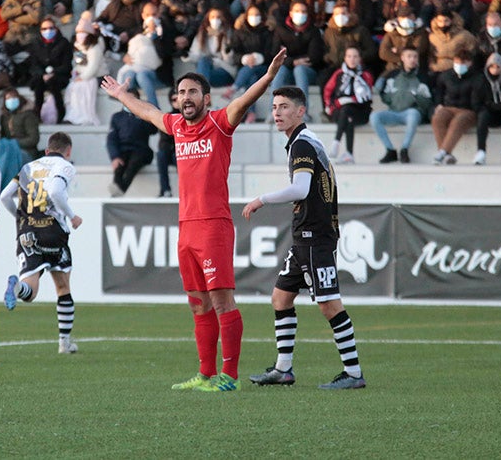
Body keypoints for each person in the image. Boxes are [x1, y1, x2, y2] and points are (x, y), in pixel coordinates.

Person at [100, 47, 288, 393]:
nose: (185, 98)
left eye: (192, 93)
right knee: (197, 302)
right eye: (181, 93)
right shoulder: (176, 126)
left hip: (214, 224)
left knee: (221, 301)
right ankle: (204, 374)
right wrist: (122, 95)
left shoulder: (219, 122)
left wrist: (269, 76)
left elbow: (244, 101)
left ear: (206, 98)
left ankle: (228, 377)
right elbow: (147, 111)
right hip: (186, 227)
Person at [241, 86, 365, 390]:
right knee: (281, 297)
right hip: (305, 237)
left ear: (300, 111)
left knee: (329, 305)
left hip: (314, 236)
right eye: (274, 108)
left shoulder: (302, 145)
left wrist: (261, 199)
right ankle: (283, 369)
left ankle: (353, 373)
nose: (277, 113)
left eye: (284, 107)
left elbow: (300, 189)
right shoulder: (303, 142)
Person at [1, 132, 83, 355]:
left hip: (27, 233)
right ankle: (64, 342)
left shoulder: (28, 167)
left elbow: (5, 197)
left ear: (47, 150)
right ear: (68, 151)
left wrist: (20, 219)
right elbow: (56, 191)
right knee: (63, 286)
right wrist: (72, 216)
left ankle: (17, 287)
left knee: (31, 291)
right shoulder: (64, 166)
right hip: (53, 232)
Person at [370, 46, 431, 164]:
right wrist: (392, 99)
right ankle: (390, 150)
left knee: (413, 114)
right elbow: (384, 94)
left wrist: (415, 97)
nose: (412, 59)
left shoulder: (423, 77)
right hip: (394, 112)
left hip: (411, 112)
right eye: (409, 56)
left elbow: (427, 100)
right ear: (402, 58)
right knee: (375, 117)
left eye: (415, 57)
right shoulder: (393, 75)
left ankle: (404, 150)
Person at [322, 47, 373, 165]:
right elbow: (328, 90)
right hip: (339, 112)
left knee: (348, 111)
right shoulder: (339, 74)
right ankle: (349, 154)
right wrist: (330, 104)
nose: (352, 59)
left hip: (360, 111)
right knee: (347, 114)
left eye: (355, 56)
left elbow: (365, 96)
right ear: (345, 58)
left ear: (360, 58)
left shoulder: (365, 75)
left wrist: (347, 100)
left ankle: (336, 142)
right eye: (349, 56)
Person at [107, 88, 157, 197]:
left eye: (132, 99)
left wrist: (143, 112)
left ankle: (120, 191)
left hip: (142, 151)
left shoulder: (144, 115)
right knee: (120, 166)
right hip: (124, 151)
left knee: (133, 163)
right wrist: (115, 157)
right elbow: (111, 139)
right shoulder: (117, 117)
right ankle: (115, 194)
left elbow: (154, 130)